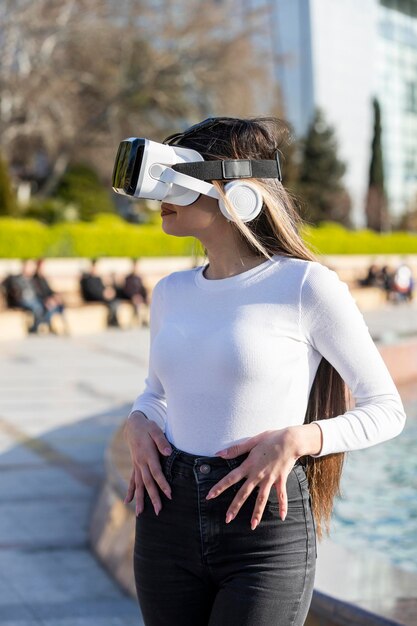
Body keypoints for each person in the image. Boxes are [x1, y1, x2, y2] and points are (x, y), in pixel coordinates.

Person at [123, 117, 406, 626]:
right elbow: (156, 393)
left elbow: (387, 410)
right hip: (166, 516)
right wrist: (140, 420)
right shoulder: (171, 293)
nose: (162, 196)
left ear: (239, 194)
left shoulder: (305, 286)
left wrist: (299, 440)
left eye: (176, 178)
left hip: (262, 525)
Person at [2, 260, 49, 333]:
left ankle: (39, 325)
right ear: (23, 267)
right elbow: (5, 286)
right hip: (22, 301)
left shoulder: (34, 279)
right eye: (28, 266)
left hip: (35, 300)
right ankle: (35, 328)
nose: (31, 269)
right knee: (37, 306)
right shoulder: (15, 278)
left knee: (48, 306)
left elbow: (42, 292)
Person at [79, 258, 120, 327]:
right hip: (93, 297)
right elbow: (91, 292)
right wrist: (103, 295)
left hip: (100, 296)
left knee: (115, 301)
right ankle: (112, 320)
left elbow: (102, 288)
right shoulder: (87, 279)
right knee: (111, 301)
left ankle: (113, 319)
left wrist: (107, 292)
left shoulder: (98, 278)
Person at [32, 258, 67, 332]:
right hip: (42, 300)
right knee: (50, 307)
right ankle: (45, 324)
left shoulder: (43, 278)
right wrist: (47, 300)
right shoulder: (34, 279)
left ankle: (64, 325)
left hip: (49, 299)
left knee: (60, 306)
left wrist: (55, 296)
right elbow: (37, 293)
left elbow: (49, 290)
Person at [117, 258, 149, 324]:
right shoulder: (128, 278)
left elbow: (142, 289)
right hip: (131, 297)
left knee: (147, 302)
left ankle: (144, 319)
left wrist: (145, 296)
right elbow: (127, 290)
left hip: (139, 297)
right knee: (137, 302)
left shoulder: (139, 278)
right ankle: (137, 320)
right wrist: (133, 296)